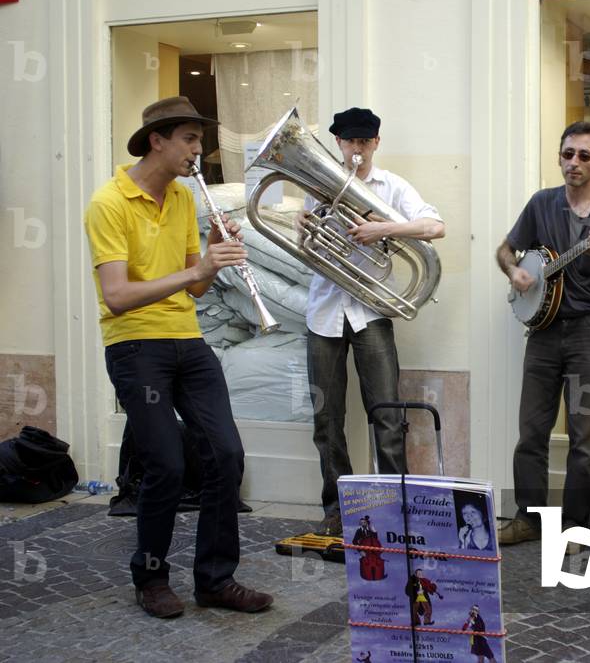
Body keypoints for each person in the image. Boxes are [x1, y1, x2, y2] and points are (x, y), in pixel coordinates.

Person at [83, 96, 273, 618]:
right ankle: (151, 578)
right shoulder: (109, 203)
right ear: (157, 141)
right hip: (135, 345)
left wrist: (212, 254)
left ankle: (215, 579)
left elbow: (195, 289)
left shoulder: (186, 200)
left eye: (199, 139)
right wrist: (196, 271)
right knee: (165, 464)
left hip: (187, 341)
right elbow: (117, 295)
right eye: (189, 138)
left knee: (226, 456)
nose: (198, 149)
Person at [299, 107, 445, 536]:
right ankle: (336, 510)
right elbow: (309, 244)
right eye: (349, 141)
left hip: (372, 310)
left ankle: (393, 508)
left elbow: (435, 227)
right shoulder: (318, 184)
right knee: (326, 419)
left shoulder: (392, 187)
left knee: (387, 413)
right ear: (339, 144)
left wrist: (382, 231)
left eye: (364, 141)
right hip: (324, 312)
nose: (357, 148)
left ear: (376, 143)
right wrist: (302, 226)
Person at [495, 121, 590, 547]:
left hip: (588, 334)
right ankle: (530, 518)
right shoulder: (542, 204)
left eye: (583, 156)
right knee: (532, 432)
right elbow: (505, 249)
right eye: (567, 154)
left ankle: (577, 527)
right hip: (542, 333)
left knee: (584, 436)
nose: (573, 163)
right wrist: (515, 270)